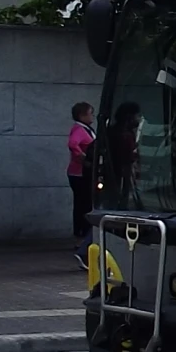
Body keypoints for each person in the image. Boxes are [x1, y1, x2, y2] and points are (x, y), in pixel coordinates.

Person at [67, 102, 96, 264]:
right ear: (82, 115)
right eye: (90, 113)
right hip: (79, 173)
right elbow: (73, 144)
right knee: (82, 204)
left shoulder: (85, 129)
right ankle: (80, 236)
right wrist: (83, 158)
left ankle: (82, 235)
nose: (92, 116)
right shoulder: (79, 129)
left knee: (84, 203)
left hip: (82, 173)